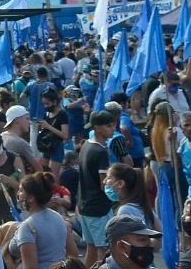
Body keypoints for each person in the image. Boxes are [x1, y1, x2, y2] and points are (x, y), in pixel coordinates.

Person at [0, 172, 74, 269]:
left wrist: (5, 252)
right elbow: (73, 254)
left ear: (31, 198)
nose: (18, 194)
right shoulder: (58, 217)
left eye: (21, 191)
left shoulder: (28, 227)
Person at [76, 110, 116, 268]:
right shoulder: (100, 151)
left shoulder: (86, 145)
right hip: (98, 209)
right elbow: (104, 183)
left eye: (113, 125)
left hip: (85, 206)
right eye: (109, 126)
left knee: (91, 249)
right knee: (103, 251)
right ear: (97, 128)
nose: (113, 129)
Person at [103, 163, 155, 228]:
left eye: (108, 177)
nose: (104, 181)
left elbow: (132, 237)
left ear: (120, 183)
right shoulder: (142, 205)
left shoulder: (125, 210)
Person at [1, 106, 43, 174]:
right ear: (17, 120)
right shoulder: (20, 143)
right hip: (19, 182)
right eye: (27, 119)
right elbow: (40, 171)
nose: (29, 122)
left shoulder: (1, 137)